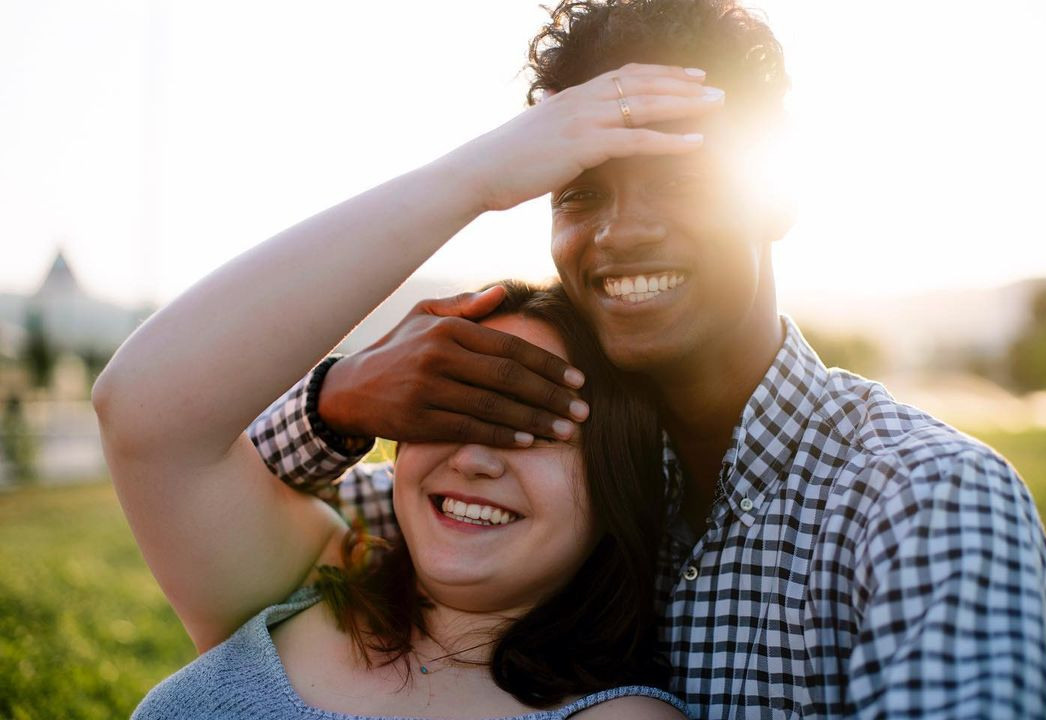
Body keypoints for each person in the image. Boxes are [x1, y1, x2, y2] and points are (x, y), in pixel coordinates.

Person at [249, 1, 1046, 718]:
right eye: (581, 190)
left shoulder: (928, 501)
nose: (620, 232)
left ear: (775, 191)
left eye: (678, 176)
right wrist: (337, 401)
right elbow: (213, 480)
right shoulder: (552, 474)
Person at [92, 59, 718, 718]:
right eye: (451, 405)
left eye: (535, 424)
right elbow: (140, 404)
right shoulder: (307, 576)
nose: (474, 457)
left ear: (618, 478)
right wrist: (476, 179)